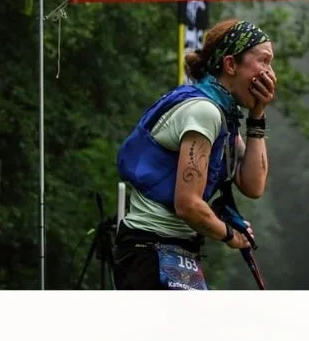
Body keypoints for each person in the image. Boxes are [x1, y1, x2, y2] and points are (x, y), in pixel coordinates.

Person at [113, 19, 275, 290]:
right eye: (264, 61)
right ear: (231, 65)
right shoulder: (204, 111)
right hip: (151, 250)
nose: (270, 74)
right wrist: (230, 234)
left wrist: (257, 115)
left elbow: (253, 185)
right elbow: (187, 204)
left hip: (172, 250)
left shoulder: (223, 115)